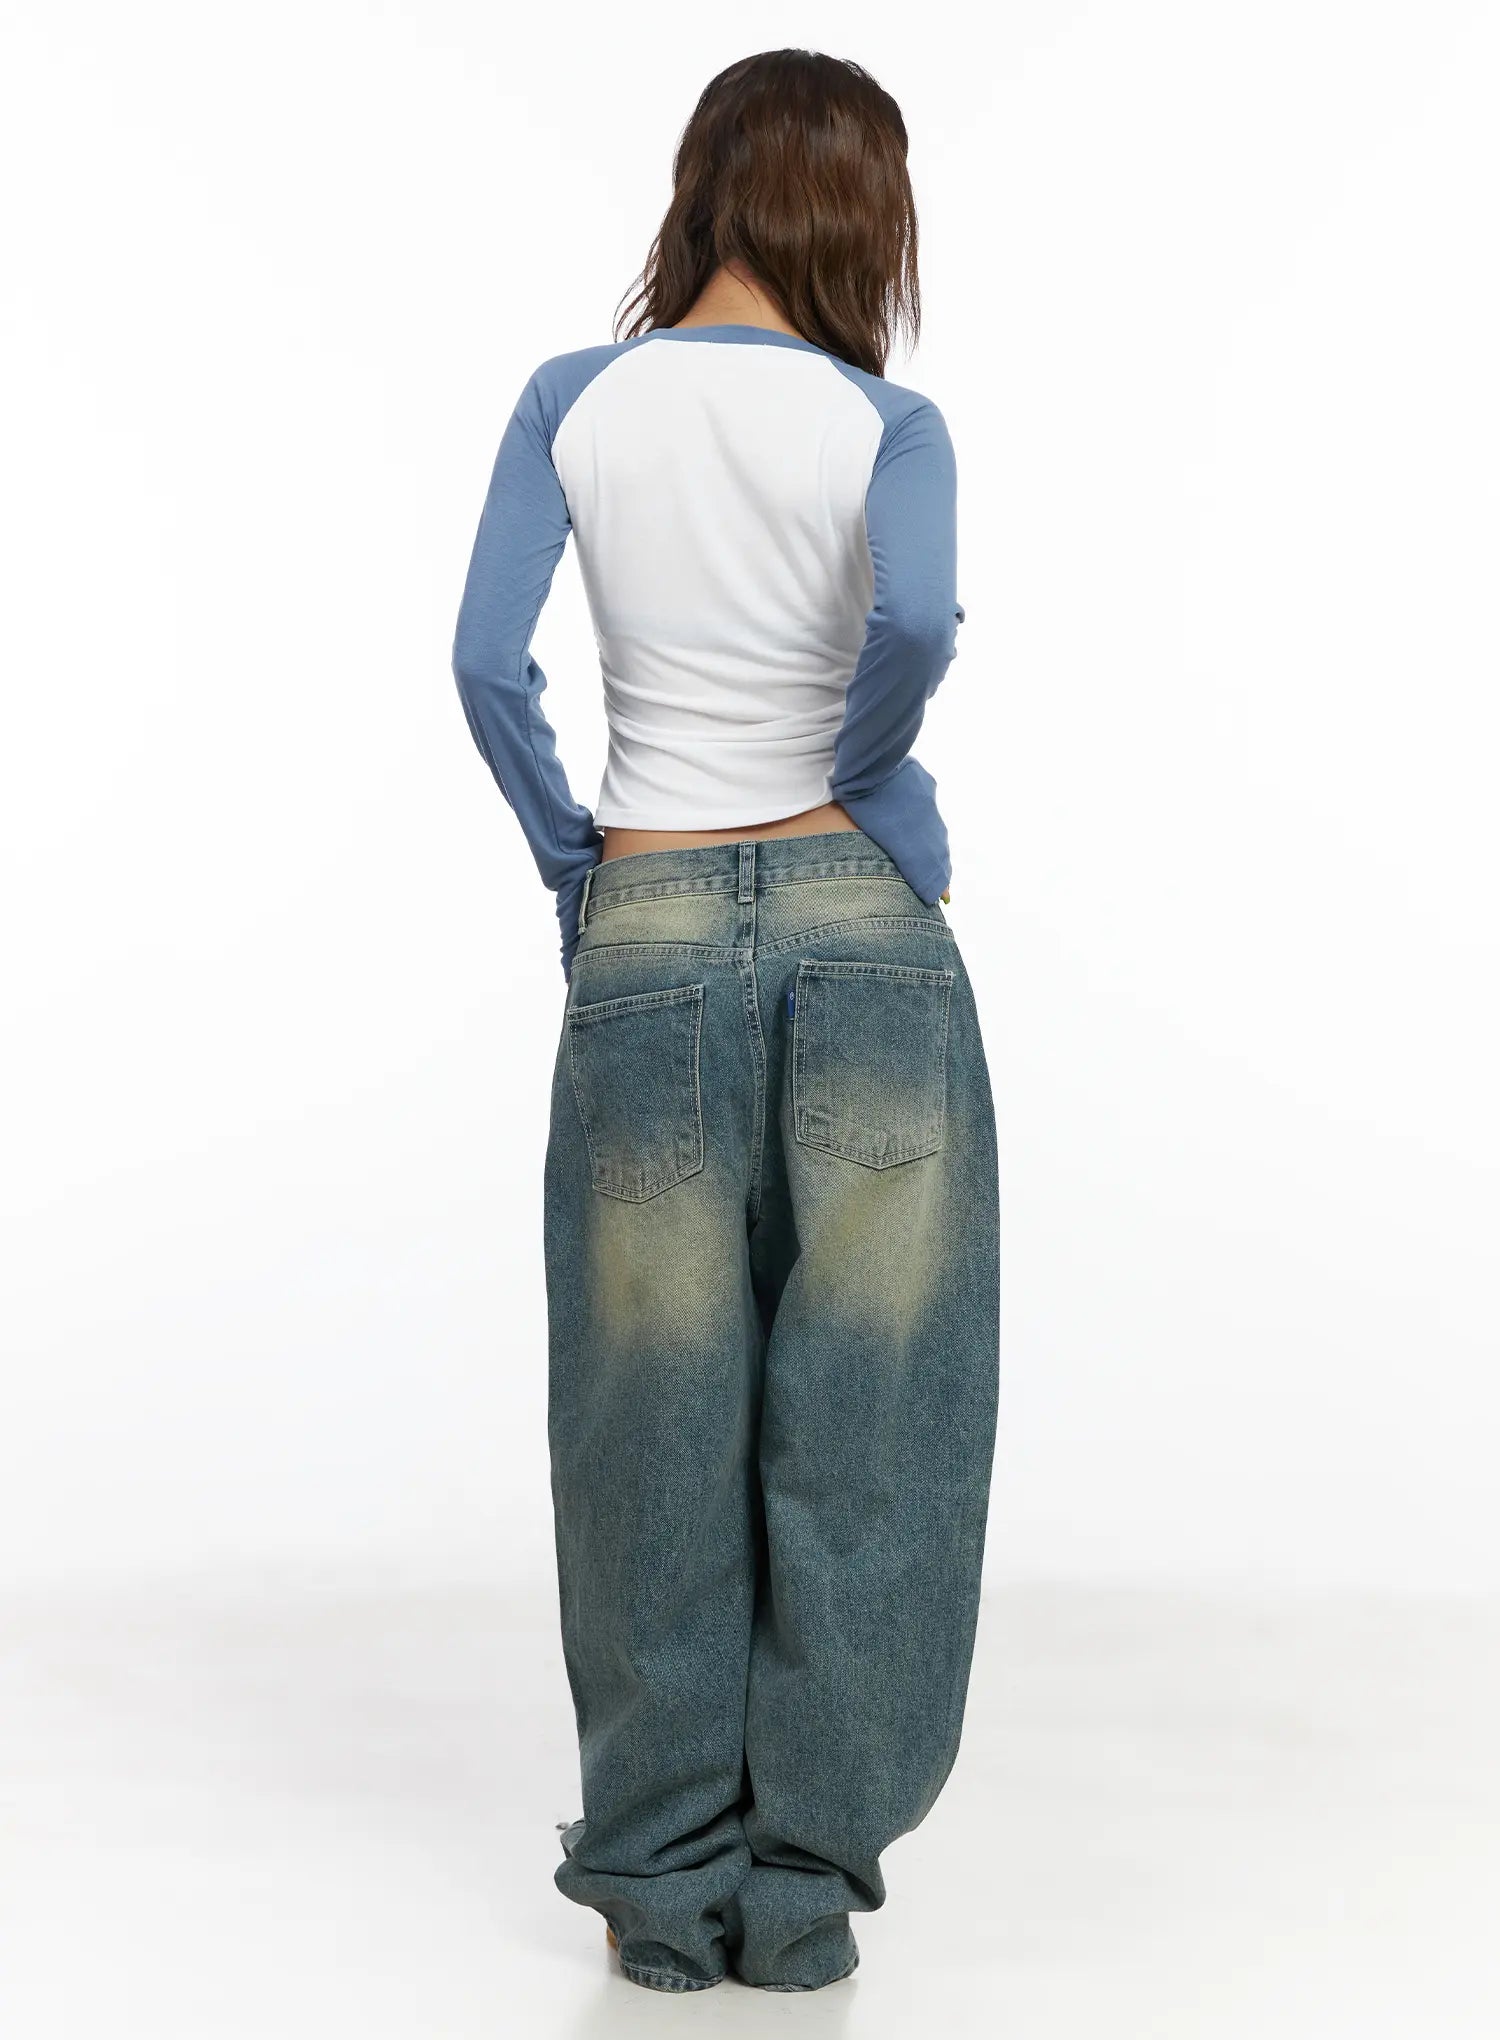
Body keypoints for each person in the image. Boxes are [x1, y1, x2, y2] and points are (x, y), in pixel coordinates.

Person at [451, 47, 1000, 1996]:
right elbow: (914, 625)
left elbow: (483, 660)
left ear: (701, 190)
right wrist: (850, 770)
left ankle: (664, 1890)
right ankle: (804, 1893)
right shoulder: (888, 425)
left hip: (652, 926)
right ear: (865, 214)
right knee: (876, 1418)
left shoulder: (574, 400)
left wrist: (578, 860)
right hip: (867, 930)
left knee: (648, 1419)